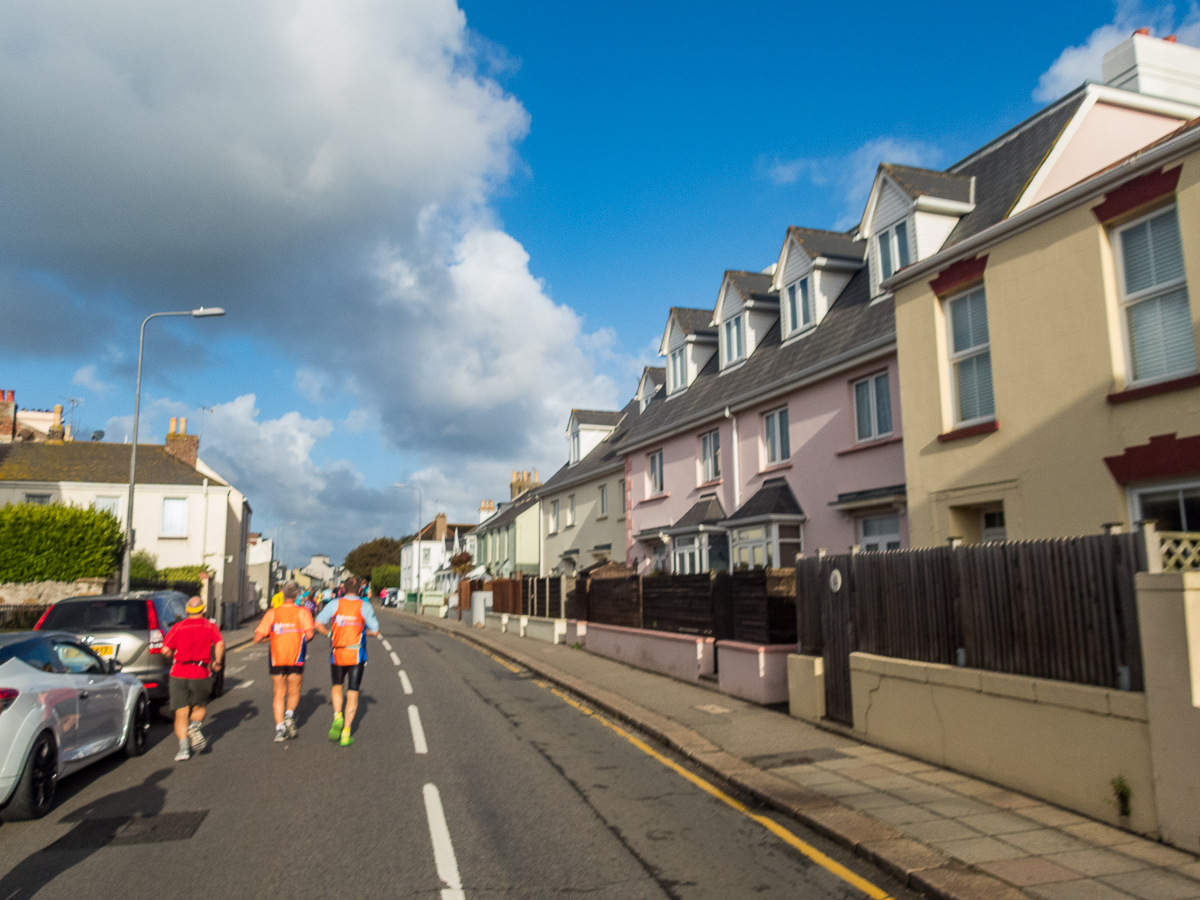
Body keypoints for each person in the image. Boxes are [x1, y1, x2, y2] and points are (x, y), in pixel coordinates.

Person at [314, 575, 380, 747]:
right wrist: (366, 631)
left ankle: (338, 716)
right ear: (360, 590)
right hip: (356, 653)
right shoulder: (364, 606)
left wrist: (329, 634)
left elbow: (318, 623)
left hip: (337, 652)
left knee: (337, 686)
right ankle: (346, 732)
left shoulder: (334, 604)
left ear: (342, 589)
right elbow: (375, 629)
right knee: (353, 692)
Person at [161, 596, 225, 761]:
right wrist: (217, 662)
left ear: (187, 610)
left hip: (178, 673)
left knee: (181, 712)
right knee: (199, 707)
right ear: (203, 610)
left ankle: (183, 750)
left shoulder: (177, 627)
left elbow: (165, 650)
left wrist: (170, 655)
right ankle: (195, 726)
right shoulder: (210, 626)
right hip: (200, 672)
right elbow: (219, 644)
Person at [253, 581, 315, 742]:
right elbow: (309, 635)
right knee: (294, 690)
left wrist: (270, 638)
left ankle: (279, 729)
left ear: (282, 593)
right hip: (296, 657)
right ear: (297, 595)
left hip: (276, 657)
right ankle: (289, 715)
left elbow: (257, 638)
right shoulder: (303, 612)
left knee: (279, 693)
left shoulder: (272, 613)